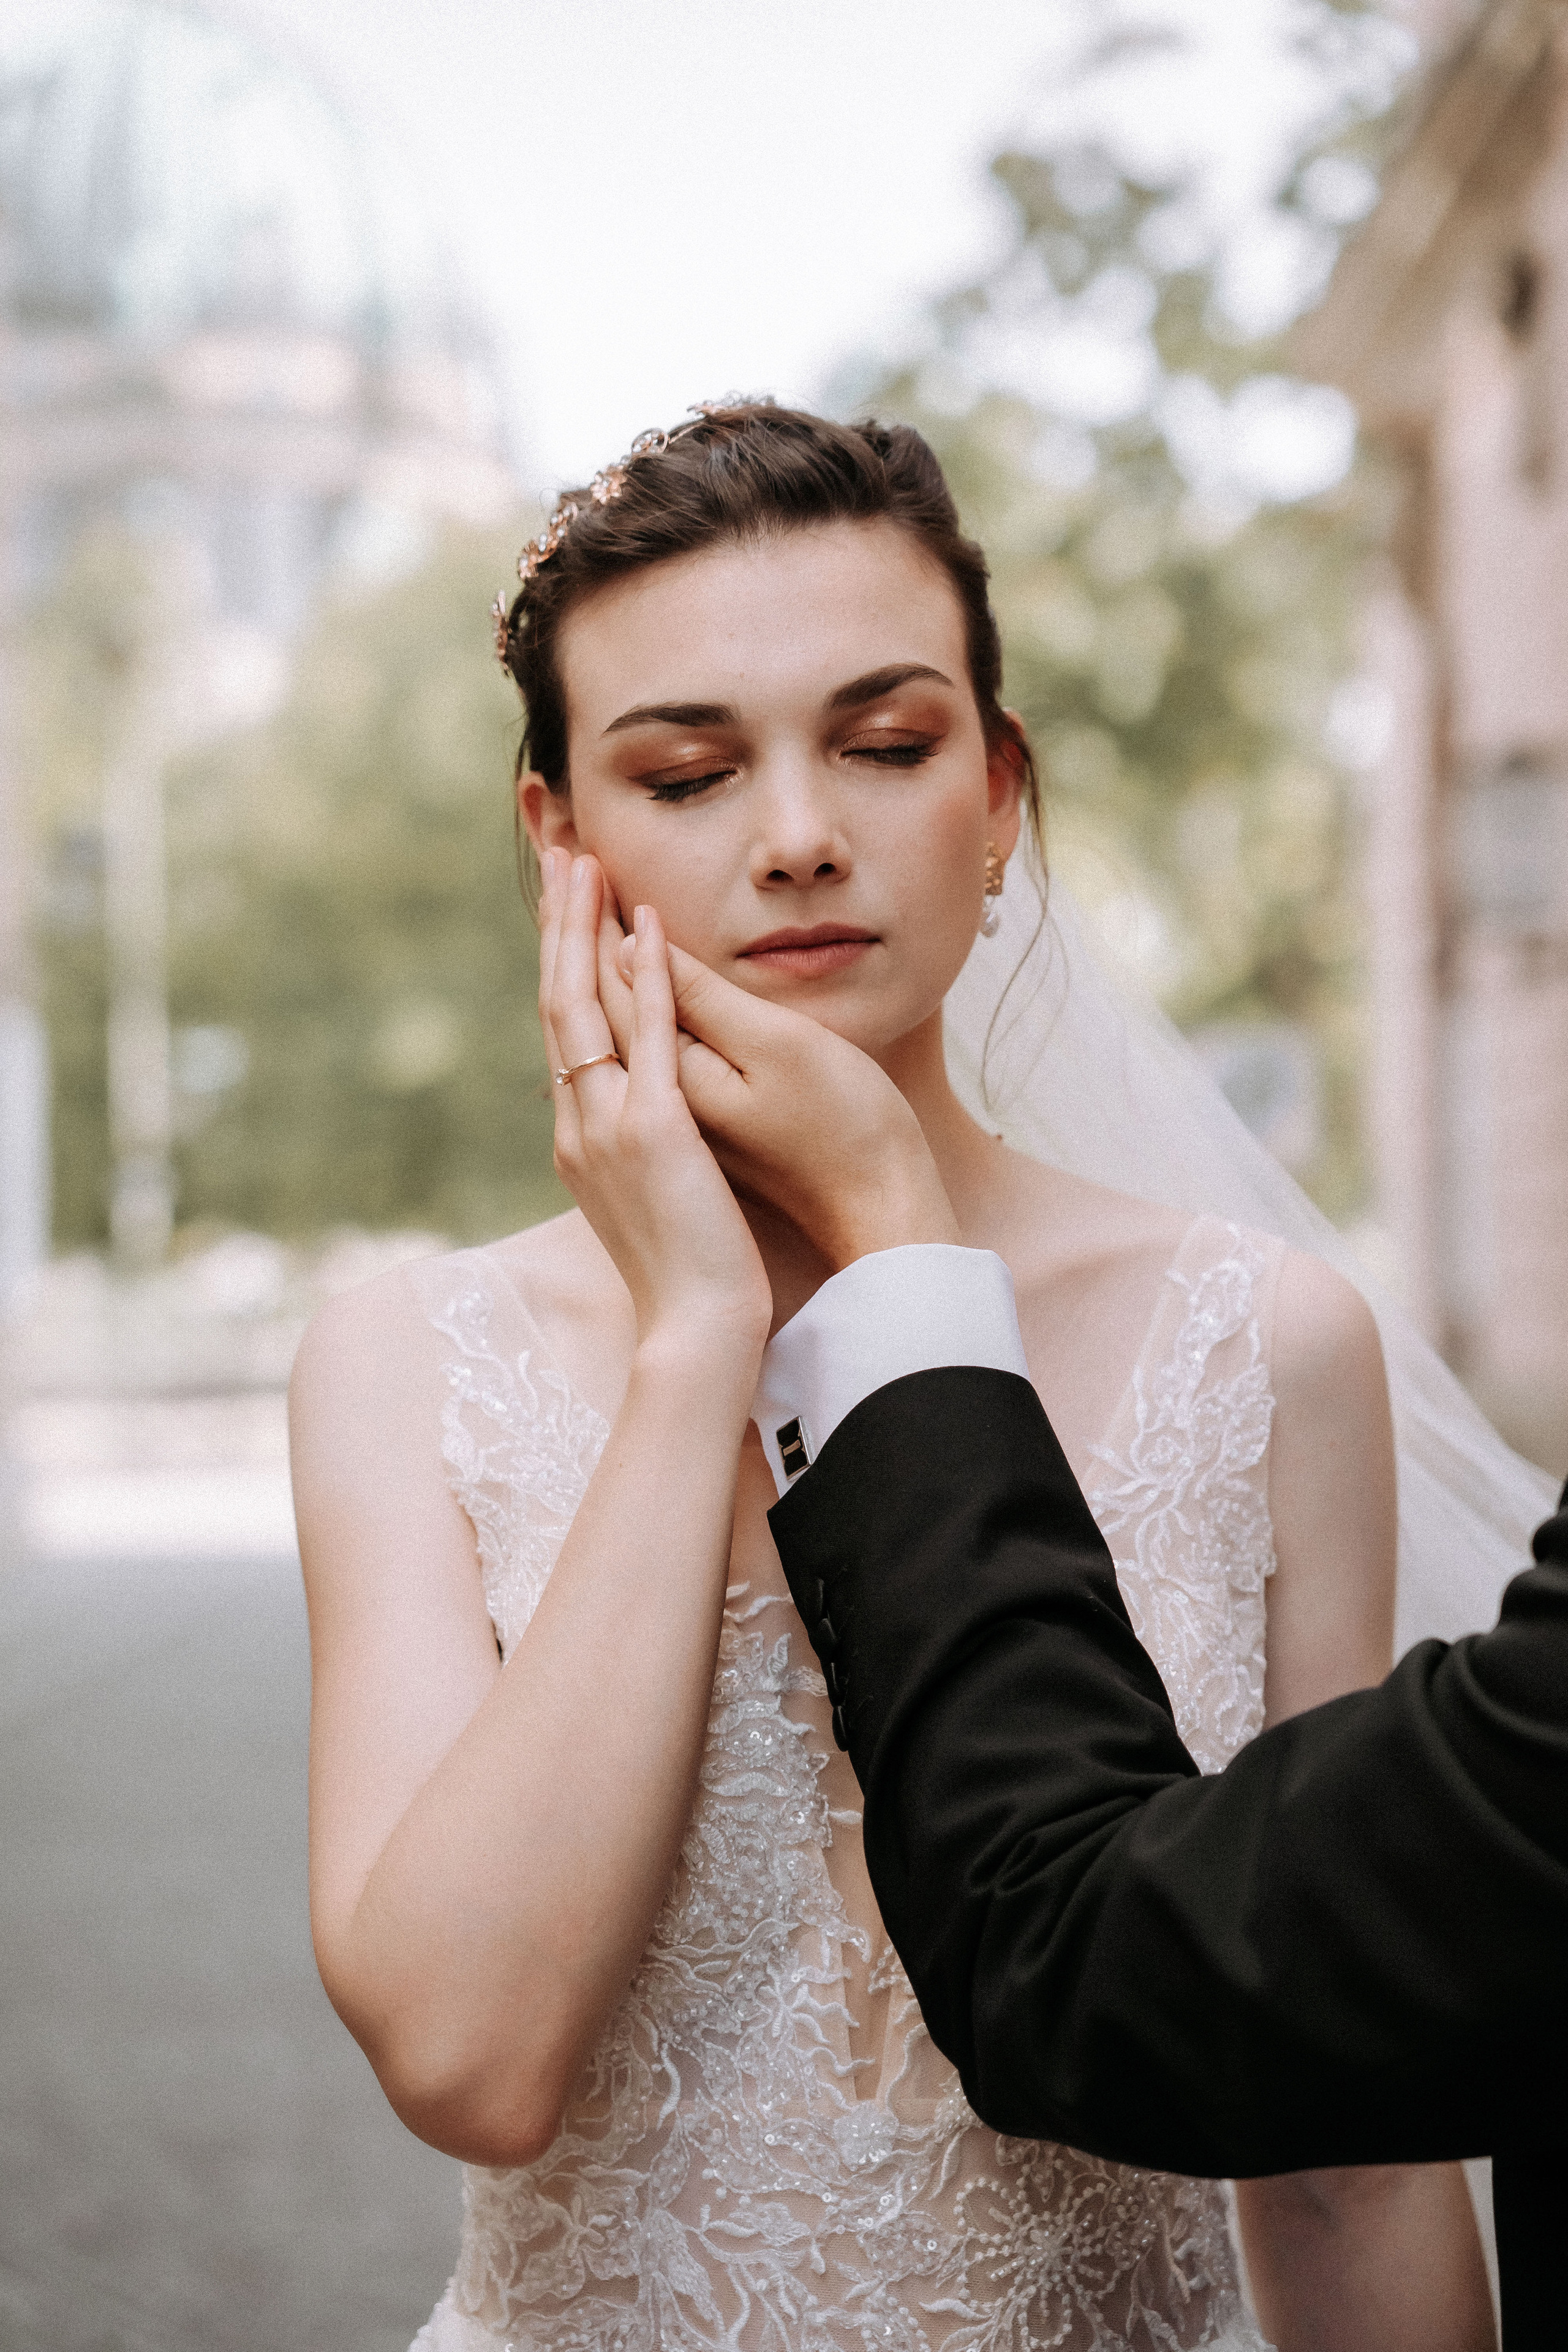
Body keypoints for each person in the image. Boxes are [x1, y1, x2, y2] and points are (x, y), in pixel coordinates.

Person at [289, 402, 1527, 2352]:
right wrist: (698, 1336)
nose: (799, 837)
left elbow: (1342, 2139)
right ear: (560, 835)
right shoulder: (406, 1364)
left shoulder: (1261, 1343)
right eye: (687, 772)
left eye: (886, 745)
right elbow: (468, 2057)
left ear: (1000, 786)